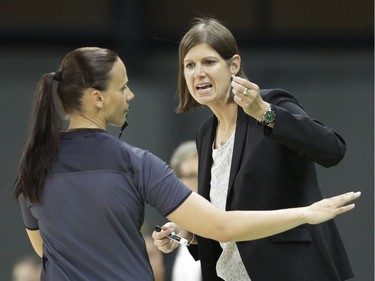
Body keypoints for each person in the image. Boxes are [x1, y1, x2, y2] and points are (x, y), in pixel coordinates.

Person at [13, 46, 359, 281]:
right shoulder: (135, 163)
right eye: (124, 87)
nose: (130, 94)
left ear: (233, 66)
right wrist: (304, 214)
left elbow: (44, 247)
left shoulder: (33, 166)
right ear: (98, 98)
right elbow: (220, 226)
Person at [152, 18, 357, 281]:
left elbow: (332, 149)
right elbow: (224, 222)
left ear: (233, 65)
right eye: (189, 65)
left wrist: (264, 112)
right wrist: (188, 233)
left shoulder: (270, 105)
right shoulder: (205, 133)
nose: (198, 73)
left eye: (209, 62)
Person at [169, 141, 202, 281]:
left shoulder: (223, 220)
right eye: (190, 176)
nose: (198, 182)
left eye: (201, 174)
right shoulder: (169, 231)